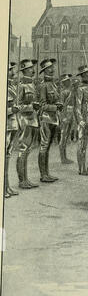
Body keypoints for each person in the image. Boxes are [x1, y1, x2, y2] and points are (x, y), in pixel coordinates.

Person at [38, 58, 63, 183]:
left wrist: (59, 104)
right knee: (44, 146)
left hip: (54, 119)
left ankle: (47, 173)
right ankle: (43, 175)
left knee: (47, 147)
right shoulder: (43, 85)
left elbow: (56, 100)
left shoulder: (54, 84)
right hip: (46, 119)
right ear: (44, 70)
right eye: (49, 68)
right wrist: (55, 107)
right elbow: (42, 106)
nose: (52, 69)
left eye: (53, 67)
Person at [16, 59, 40, 189]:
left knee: (27, 150)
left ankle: (26, 179)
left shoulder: (32, 84)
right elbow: (18, 106)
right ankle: (21, 181)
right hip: (24, 120)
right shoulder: (22, 85)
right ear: (25, 70)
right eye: (30, 68)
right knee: (23, 150)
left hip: (33, 119)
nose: (33, 70)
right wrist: (31, 106)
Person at [75, 65, 88, 176]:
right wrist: (80, 120)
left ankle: (85, 166)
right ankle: (81, 168)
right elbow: (77, 106)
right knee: (81, 143)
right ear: (83, 75)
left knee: (87, 143)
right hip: (83, 118)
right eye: (87, 74)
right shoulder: (80, 88)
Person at [5, 62, 20, 198]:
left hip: (13, 124)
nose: (13, 73)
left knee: (8, 156)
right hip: (6, 125)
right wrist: (11, 109)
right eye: (10, 70)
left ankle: (6, 186)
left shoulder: (11, 86)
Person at [58, 73, 75, 164]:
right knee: (63, 137)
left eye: (69, 80)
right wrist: (63, 117)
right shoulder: (63, 92)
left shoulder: (71, 91)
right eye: (67, 81)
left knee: (67, 136)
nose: (69, 82)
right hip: (65, 115)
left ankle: (65, 157)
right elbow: (61, 106)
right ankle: (62, 158)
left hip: (71, 114)